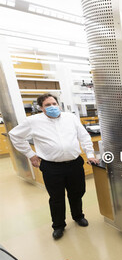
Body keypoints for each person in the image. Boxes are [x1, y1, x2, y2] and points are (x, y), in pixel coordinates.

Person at [9, 94, 99, 240]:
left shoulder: (70, 118)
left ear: (58, 104)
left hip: (74, 163)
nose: (52, 107)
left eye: (54, 103)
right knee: (56, 198)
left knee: (77, 193)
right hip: (52, 167)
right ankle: (58, 226)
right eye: (47, 105)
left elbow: (84, 136)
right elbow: (15, 135)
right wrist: (30, 154)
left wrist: (90, 154)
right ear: (41, 108)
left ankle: (78, 216)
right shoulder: (33, 121)